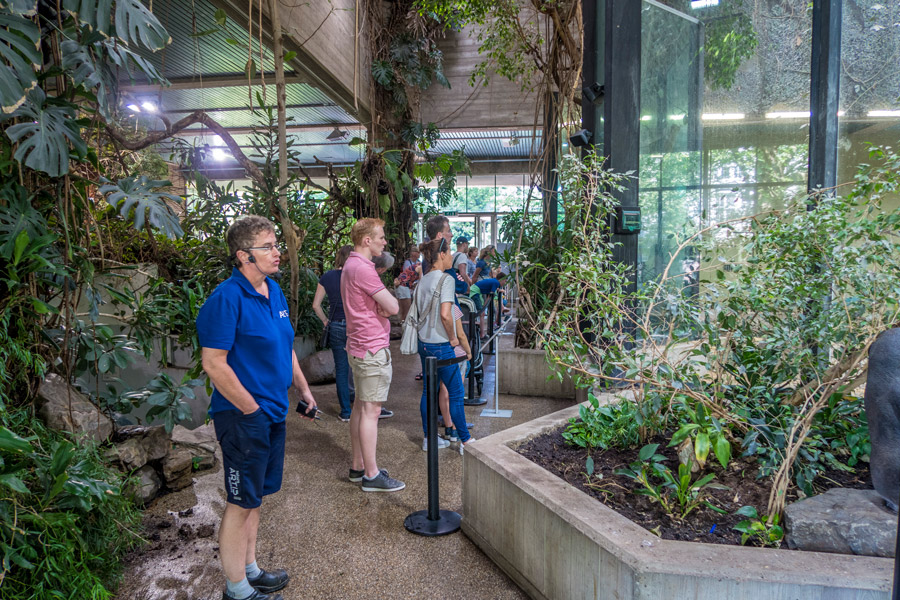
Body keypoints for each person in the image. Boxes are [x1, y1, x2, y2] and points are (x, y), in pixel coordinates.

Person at [197, 215, 317, 600]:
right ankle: (237, 590)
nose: (277, 251)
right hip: (242, 416)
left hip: (273, 411)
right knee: (239, 501)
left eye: (275, 244)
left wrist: (303, 389)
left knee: (255, 497)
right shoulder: (226, 299)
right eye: (267, 247)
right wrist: (250, 409)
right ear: (243, 256)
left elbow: (285, 347)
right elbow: (213, 362)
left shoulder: (274, 291)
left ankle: (249, 570)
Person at [341, 218, 405, 492]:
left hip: (358, 345)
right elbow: (393, 306)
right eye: (380, 236)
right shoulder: (364, 269)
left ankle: (358, 466)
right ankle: (371, 474)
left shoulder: (351, 265)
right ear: (366, 240)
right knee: (371, 411)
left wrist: (382, 308)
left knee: (360, 407)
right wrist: (385, 308)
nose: (384, 241)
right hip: (371, 348)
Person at [416, 237, 476, 454]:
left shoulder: (423, 279)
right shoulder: (446, 280)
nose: (452, 256)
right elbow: (446, 314)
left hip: (423, 343)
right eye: (449, 252)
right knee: (457, 393)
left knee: (427, 391)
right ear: (441, 255)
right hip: (442, 344)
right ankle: (465, 441)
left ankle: (428, 438)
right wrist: (454, 340)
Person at [312, 246, 354, 422]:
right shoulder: (356, 276)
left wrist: (325, 321)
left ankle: (345, 412)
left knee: (342, 369)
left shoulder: (327, 277)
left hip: (336, 326)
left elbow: (316, 305)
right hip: (356, 327)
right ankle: (362, 406)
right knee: (359, 367)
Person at [394, 253, 421, 322]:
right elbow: (422, 280)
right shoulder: (421, 266)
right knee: (406, 310)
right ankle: (404, 327)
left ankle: (402, 325)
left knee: (403, 309)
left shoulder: (420, 264)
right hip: (403, 285)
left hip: (404, 285)